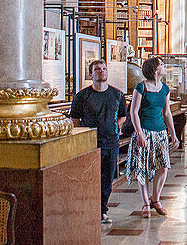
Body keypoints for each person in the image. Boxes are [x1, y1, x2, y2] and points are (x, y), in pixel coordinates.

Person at [69, 59, 128, 224]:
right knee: (89, 177)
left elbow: (123, 115)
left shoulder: (117, 94)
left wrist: (114, 126)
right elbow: (75, 118)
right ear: (91, 74)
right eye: (97, 69)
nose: (101, 71)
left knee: (107, 179)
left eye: (104, 69)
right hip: (90, 143)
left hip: (111, 142)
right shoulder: (82, 96)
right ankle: (89, 207)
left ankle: (102, 210)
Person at [127, 57, 180, 217]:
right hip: (144, 131)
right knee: (143, 168)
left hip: (160, 132)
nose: (164, 67)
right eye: (162, 65)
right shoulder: (141, 87)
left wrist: (173, 133)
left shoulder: (164, 88)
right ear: (155, 69)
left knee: (163, 167)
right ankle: (145, 203)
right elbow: (134, 111)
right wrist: (140, 133)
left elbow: (167, 112)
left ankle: (155, 199)